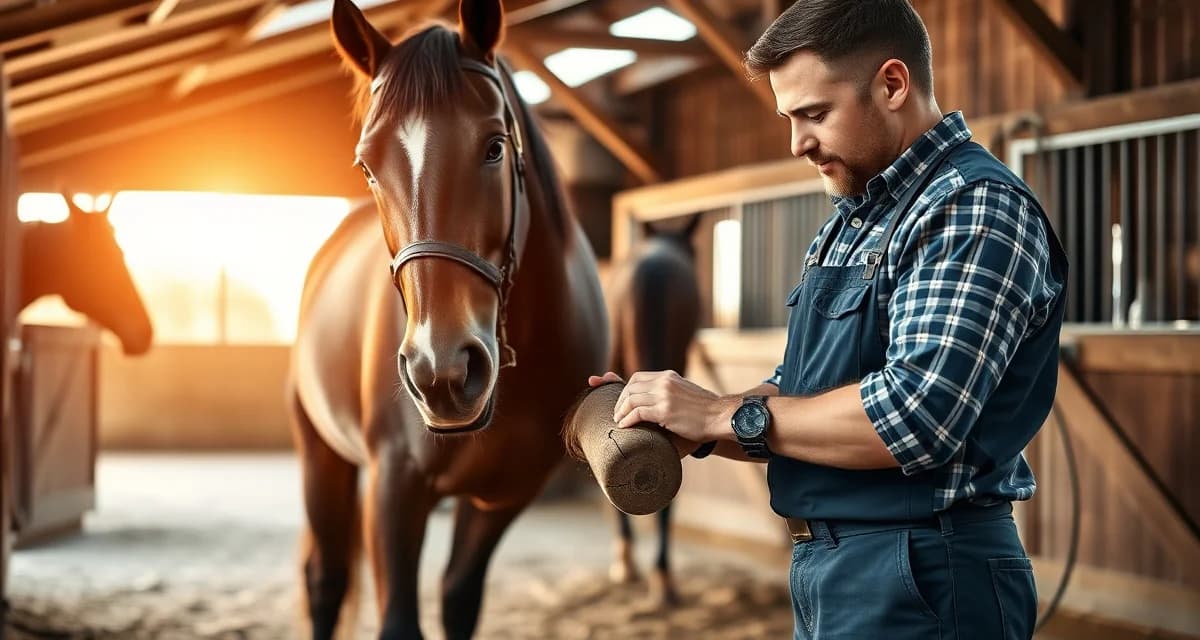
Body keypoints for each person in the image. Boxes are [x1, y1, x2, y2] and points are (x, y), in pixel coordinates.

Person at [588, 1, 1068, 638]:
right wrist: (685, 422)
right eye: (789, 118)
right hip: (833, 570)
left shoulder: (970, 208)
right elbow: (799, 397)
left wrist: (715, 414)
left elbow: (916, 418)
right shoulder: (848, 223)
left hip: (925, 575)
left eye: (815, 114)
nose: (797, 143)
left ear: (893, 85)